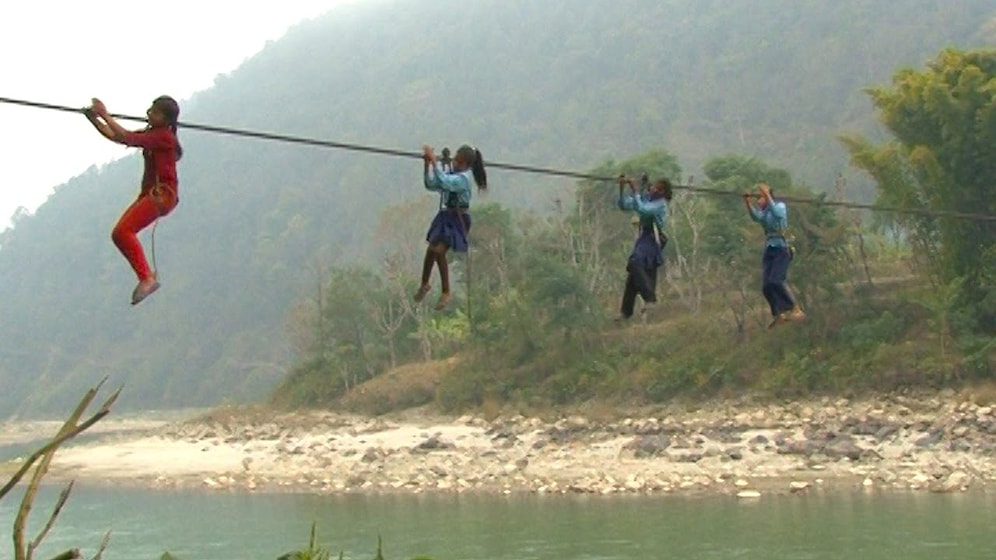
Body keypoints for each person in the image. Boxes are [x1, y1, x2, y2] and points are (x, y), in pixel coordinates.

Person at [84, 96, 182, 306]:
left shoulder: (164, 137)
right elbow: (118, 137)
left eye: (155, 112)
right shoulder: (154, 134)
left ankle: (146, 278)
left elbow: (126, 136)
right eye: (151, 110)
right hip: (152, 195)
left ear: (165, 119)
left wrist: (104, 113)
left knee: (122, 232)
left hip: (162, 195)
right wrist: (95, 120)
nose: (149, 113)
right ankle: (146, 277)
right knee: (119, 234)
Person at [415, 144, 487, 310]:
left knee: (439, 251)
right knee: (431, 250)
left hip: (458, 218)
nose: (454, 163)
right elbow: (432, 184)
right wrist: (427, 166)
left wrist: (434, 162)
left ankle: (446, 292)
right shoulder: (452, 174)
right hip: (445, 215)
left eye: (458, 161)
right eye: (455, 159)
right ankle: (424, 284)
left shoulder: (463, 179)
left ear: (465, 164)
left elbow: (446, 182)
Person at [743, 182, 805, 327]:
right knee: (766, 286)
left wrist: (767, 195)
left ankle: (794, 308)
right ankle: (778, 314)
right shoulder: (764, 213)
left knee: (775, 281)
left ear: (767, 197)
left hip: (781, 249)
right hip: (770, 249)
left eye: (760, 198)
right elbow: (756, 217)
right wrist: (746, 202)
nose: (758, 202)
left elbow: (778, 214)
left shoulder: (779, 206)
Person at [616, 174, 672, 322]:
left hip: (653, 238)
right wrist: (622, 188)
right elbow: (624, 205)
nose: (652, 188)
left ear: (662, 192)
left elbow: (643, 210)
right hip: (644, 238)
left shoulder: (660, 204)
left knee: (635, 262)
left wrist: (635, 191)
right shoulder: (647, 199)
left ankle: (650, 298)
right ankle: (625, 312)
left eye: (656, 188)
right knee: (633, 275)